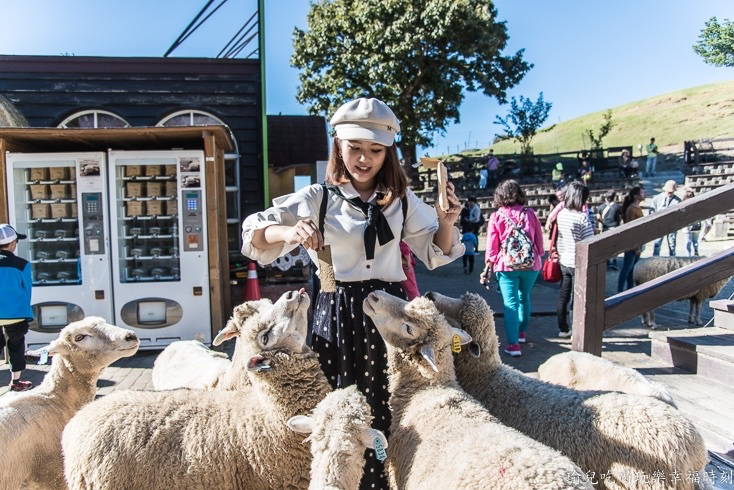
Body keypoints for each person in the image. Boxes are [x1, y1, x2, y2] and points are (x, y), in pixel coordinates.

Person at [240, 97, 463, 490]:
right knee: (342, 410)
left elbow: (438, 250)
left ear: (387, 152)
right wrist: (291, 232)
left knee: (393, 405)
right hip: (336, 314)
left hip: (391, 316)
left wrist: (445, 221)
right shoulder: (318, 197)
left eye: (375, 150)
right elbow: (256, 231)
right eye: (355, 148)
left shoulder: (402, 200)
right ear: (338, 147)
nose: (364, 158)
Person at [481, 180, 544, 357]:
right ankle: (521, 332)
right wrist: (539, 254)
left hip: (506, 265)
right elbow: (538, 240)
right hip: (531, 264)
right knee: (525, 298)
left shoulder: (497, 216)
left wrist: (489, 264)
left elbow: (492, 246)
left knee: (510, 304)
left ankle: (513, 344)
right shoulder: (530, 213)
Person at [555, 182, 594, 339]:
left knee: (563, 297)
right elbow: (590, 240)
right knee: (578, 299)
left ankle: (563, 329)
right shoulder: (582, 218)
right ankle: (577, 331)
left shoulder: (561, 214)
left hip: (565, 259)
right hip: (579, 262)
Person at [0, 224, 34, 392]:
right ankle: (15, 382)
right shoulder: (22, 264)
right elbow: (27, 289)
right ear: (12, 244)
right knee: (16, 345)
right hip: (16, 313)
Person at [617, 187, 646, 292]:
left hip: (638, 242)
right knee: (627, 268)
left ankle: (630, 290)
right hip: (632, 243)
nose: (644, 194)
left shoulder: (637, 208)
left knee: (632, 269)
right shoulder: (631, 209)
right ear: (636, 195)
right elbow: (631, 230)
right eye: (641, 192)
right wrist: (635, 247)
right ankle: (620, 291)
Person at [651, 180, 681, 256]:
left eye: (672, 192)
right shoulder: (656, 198)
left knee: (672, 245)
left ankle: (672, 259)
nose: (670, 194)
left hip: (671, 225)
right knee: (657, 244)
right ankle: (655, 259)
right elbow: (651, 212)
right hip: (659, 225)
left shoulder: (677, 200)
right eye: (669, 192)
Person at [596, 191, 622, 269]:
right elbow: (620, 218)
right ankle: (614, 261)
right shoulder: (617, 207)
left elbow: (598, 218)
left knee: (605, 246)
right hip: (614, 228)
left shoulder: (601, 207)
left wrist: (600, 229)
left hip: (605, 228)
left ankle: (607, 262)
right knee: (615, 246)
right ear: (614, 197)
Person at [681, 188, 700, 257]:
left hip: (692, 226)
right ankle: (691, 254)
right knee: (691, 241)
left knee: (690, 242)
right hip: (691, 226)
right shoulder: (697, 205)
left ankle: (692, 254)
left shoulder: (683, 206)